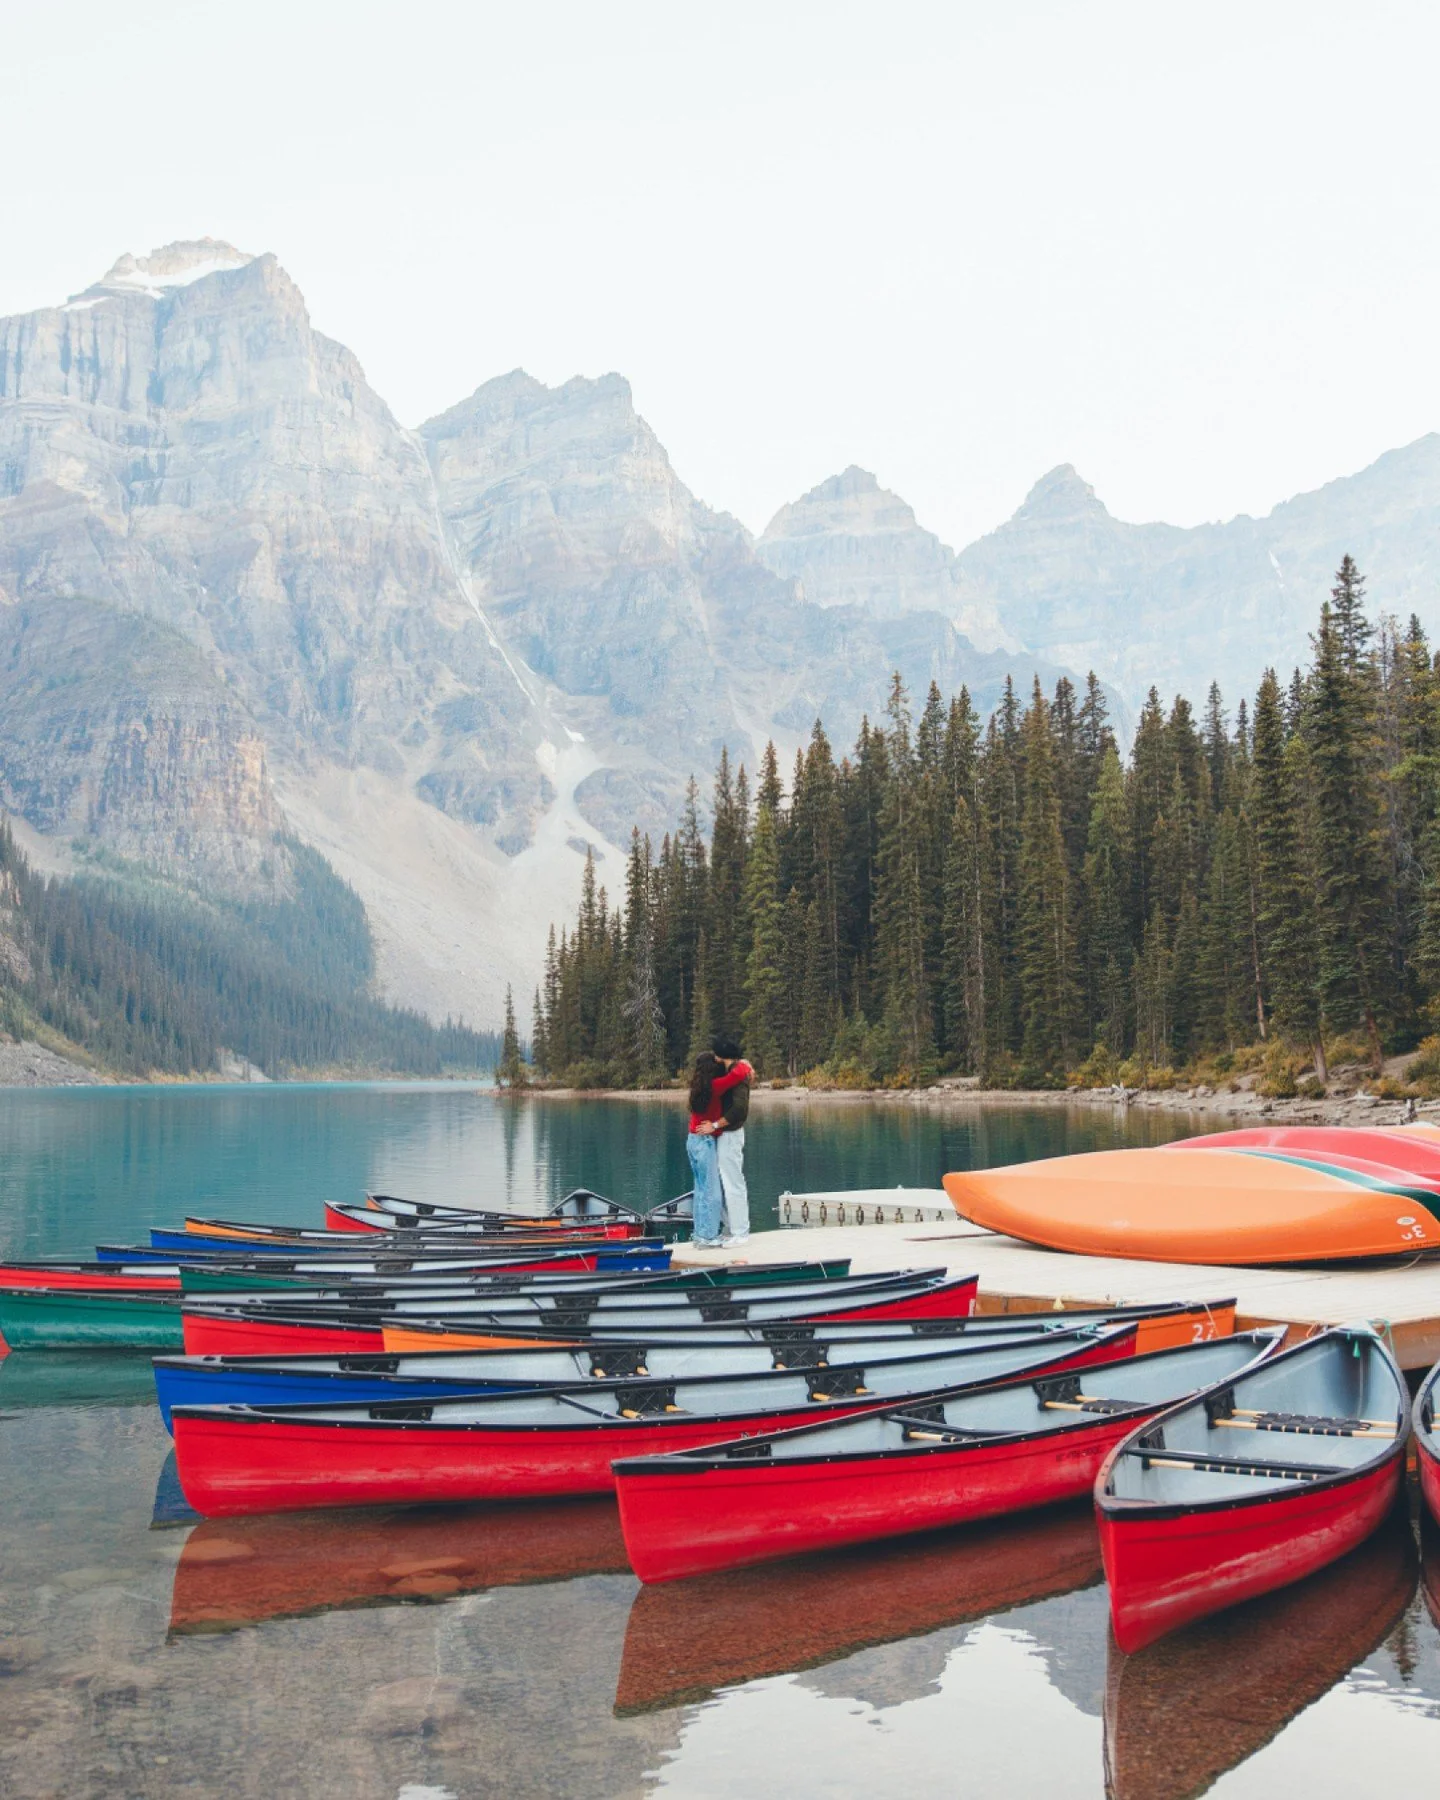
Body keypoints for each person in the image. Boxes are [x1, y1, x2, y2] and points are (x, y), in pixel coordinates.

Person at [686, 1046, 752, 1249]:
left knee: (700, 1190)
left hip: (692, 1140)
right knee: (712, 1192)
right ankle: (708, 1237)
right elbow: (738, 1075)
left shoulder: (698, 1086)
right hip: (704, 1141)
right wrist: (744, 1064)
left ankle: (700, 1234)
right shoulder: (715, 1086)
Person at [711, 1035, 751, 1245]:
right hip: (726, 1134)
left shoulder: (739, 1075)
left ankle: (740, 1232)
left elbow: (739, 1109)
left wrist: (716, 1125)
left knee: (733, 1182)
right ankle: (730, 1228)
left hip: (731, 1134)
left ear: (721, 1055)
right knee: (724, 1182)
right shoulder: (734, 1071)